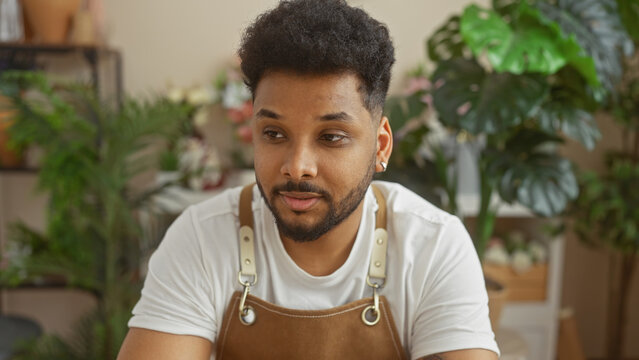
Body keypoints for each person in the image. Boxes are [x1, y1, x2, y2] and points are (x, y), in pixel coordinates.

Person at [117, 0, 500, 359]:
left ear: (381, 146)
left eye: (331, 137)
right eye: (274, 134)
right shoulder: (202, 240)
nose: (297, 167)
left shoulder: (434, 247)